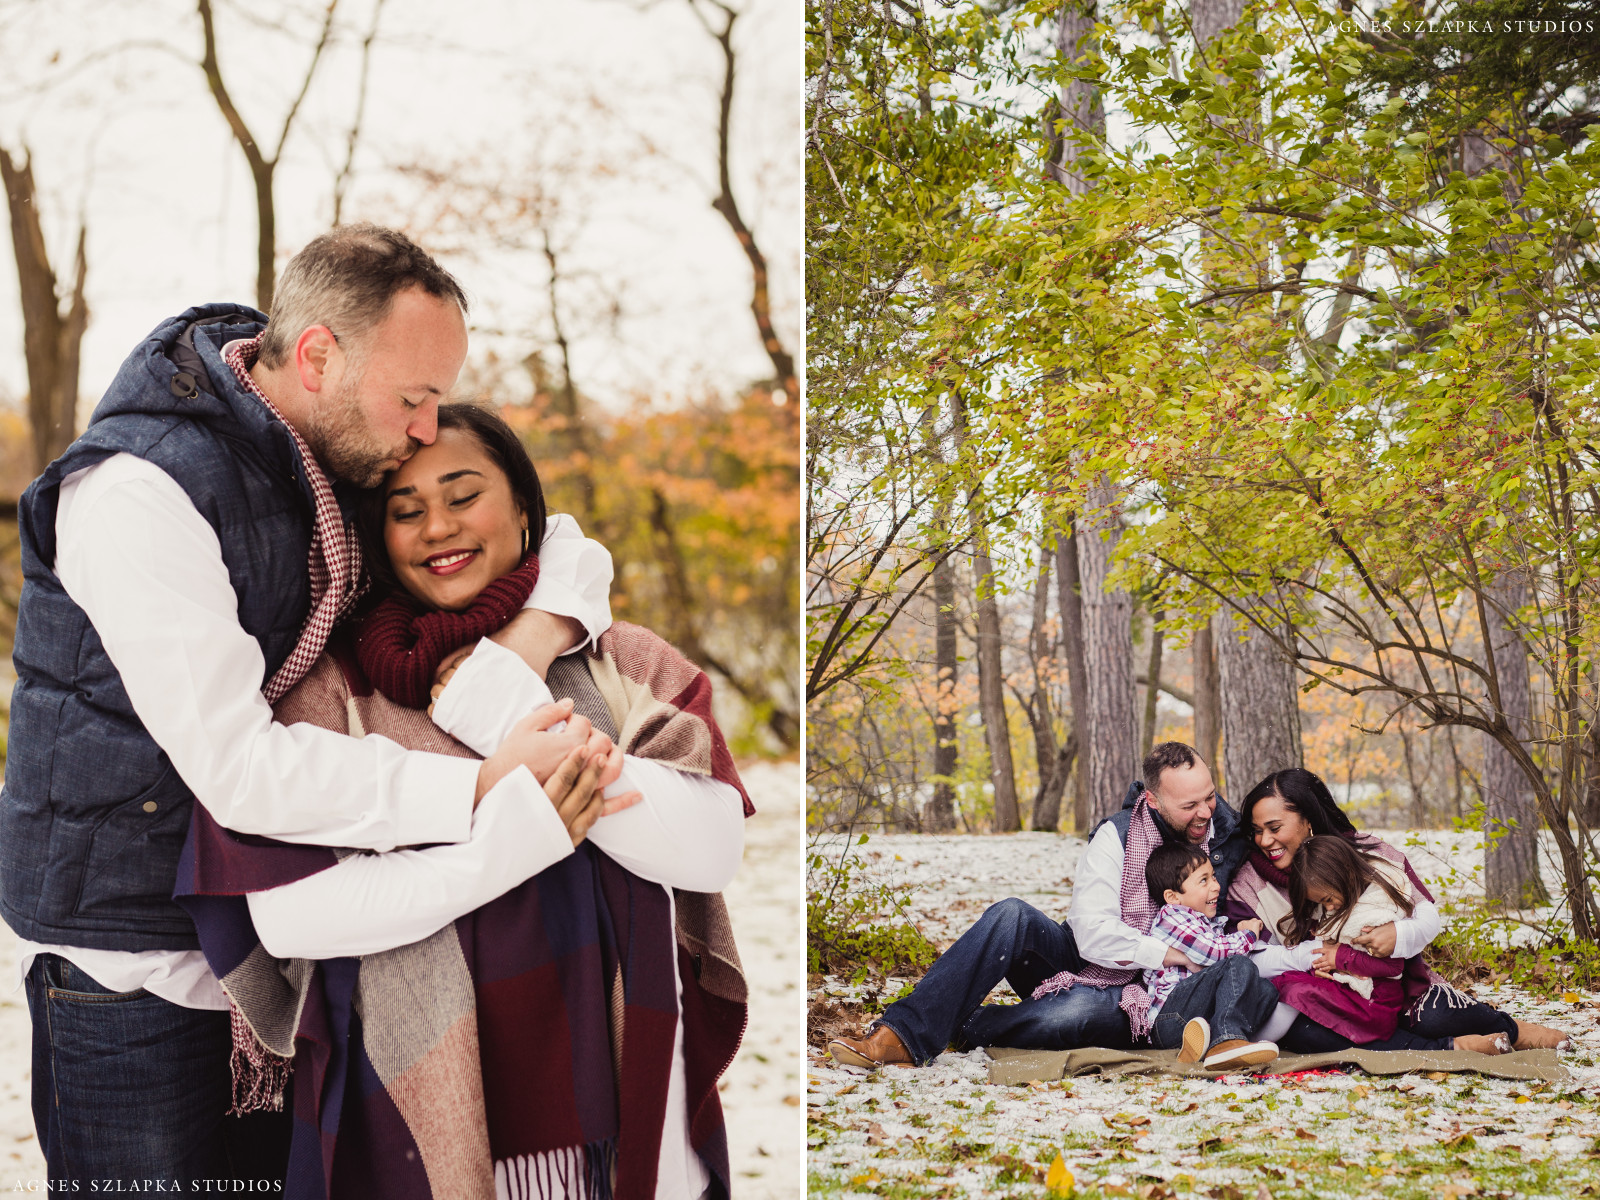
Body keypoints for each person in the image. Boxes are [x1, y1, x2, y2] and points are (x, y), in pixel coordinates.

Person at [1, 226, 617, 1186]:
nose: (425, 426)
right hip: (136, 969)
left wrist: (533, 638)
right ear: (321, 355)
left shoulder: (314, 450)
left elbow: (563, 540)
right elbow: (241, 768)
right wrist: (480, 789)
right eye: (413, 398)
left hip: (285, 956)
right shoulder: (137, 493)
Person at [176, 404, 751, 1198]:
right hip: (412, 1117)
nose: (437, 527)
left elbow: (710, 846)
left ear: (522, 505)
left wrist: (502, 699)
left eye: (462, 494)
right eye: (405, 512)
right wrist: (504, 845)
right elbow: (291, 915)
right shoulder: (329, 688)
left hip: (628, 1109)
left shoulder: (618, 657)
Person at [828, 741, 1256, 1067]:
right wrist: (1173, 953)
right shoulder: (1119, 836)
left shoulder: (1230, 838)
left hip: (1153, 993)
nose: (1205, 812)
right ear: (1154, 800)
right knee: (1011, 914)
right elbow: (1091, 933)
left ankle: (967, 1024)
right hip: (1097, 958)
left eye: (1210, 796)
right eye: (1190, 805)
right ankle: (902, 1035)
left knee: (1074, 1012)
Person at [1227, 767, 1569, 1054]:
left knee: (1432, 1017)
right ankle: (1450, 1048)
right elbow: (1246, 958)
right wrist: (1315, 958)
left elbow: (1427, 914)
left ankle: (1507, 1028)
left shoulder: (1368, 854)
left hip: (1397, 988)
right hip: (1324, 997)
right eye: (1257, 832)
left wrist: (1399, 934)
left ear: (1309, 822)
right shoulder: (1247, 883)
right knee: (1304, 1034)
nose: (1264, 841)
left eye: (1275, 828)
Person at [1141, 842, 1279, 1068]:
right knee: (1237, 965)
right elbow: (1214, 953)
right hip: (1170, 1019)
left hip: (1196, 1020)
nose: (1216, 886)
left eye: (1213, 877)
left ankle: (1206, 1046)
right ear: (1173, 896)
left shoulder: (1206, 922)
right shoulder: (1173, 916)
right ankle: (1227, 1040)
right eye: (1203, 880)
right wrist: (1248, 935)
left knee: (1266, 991)